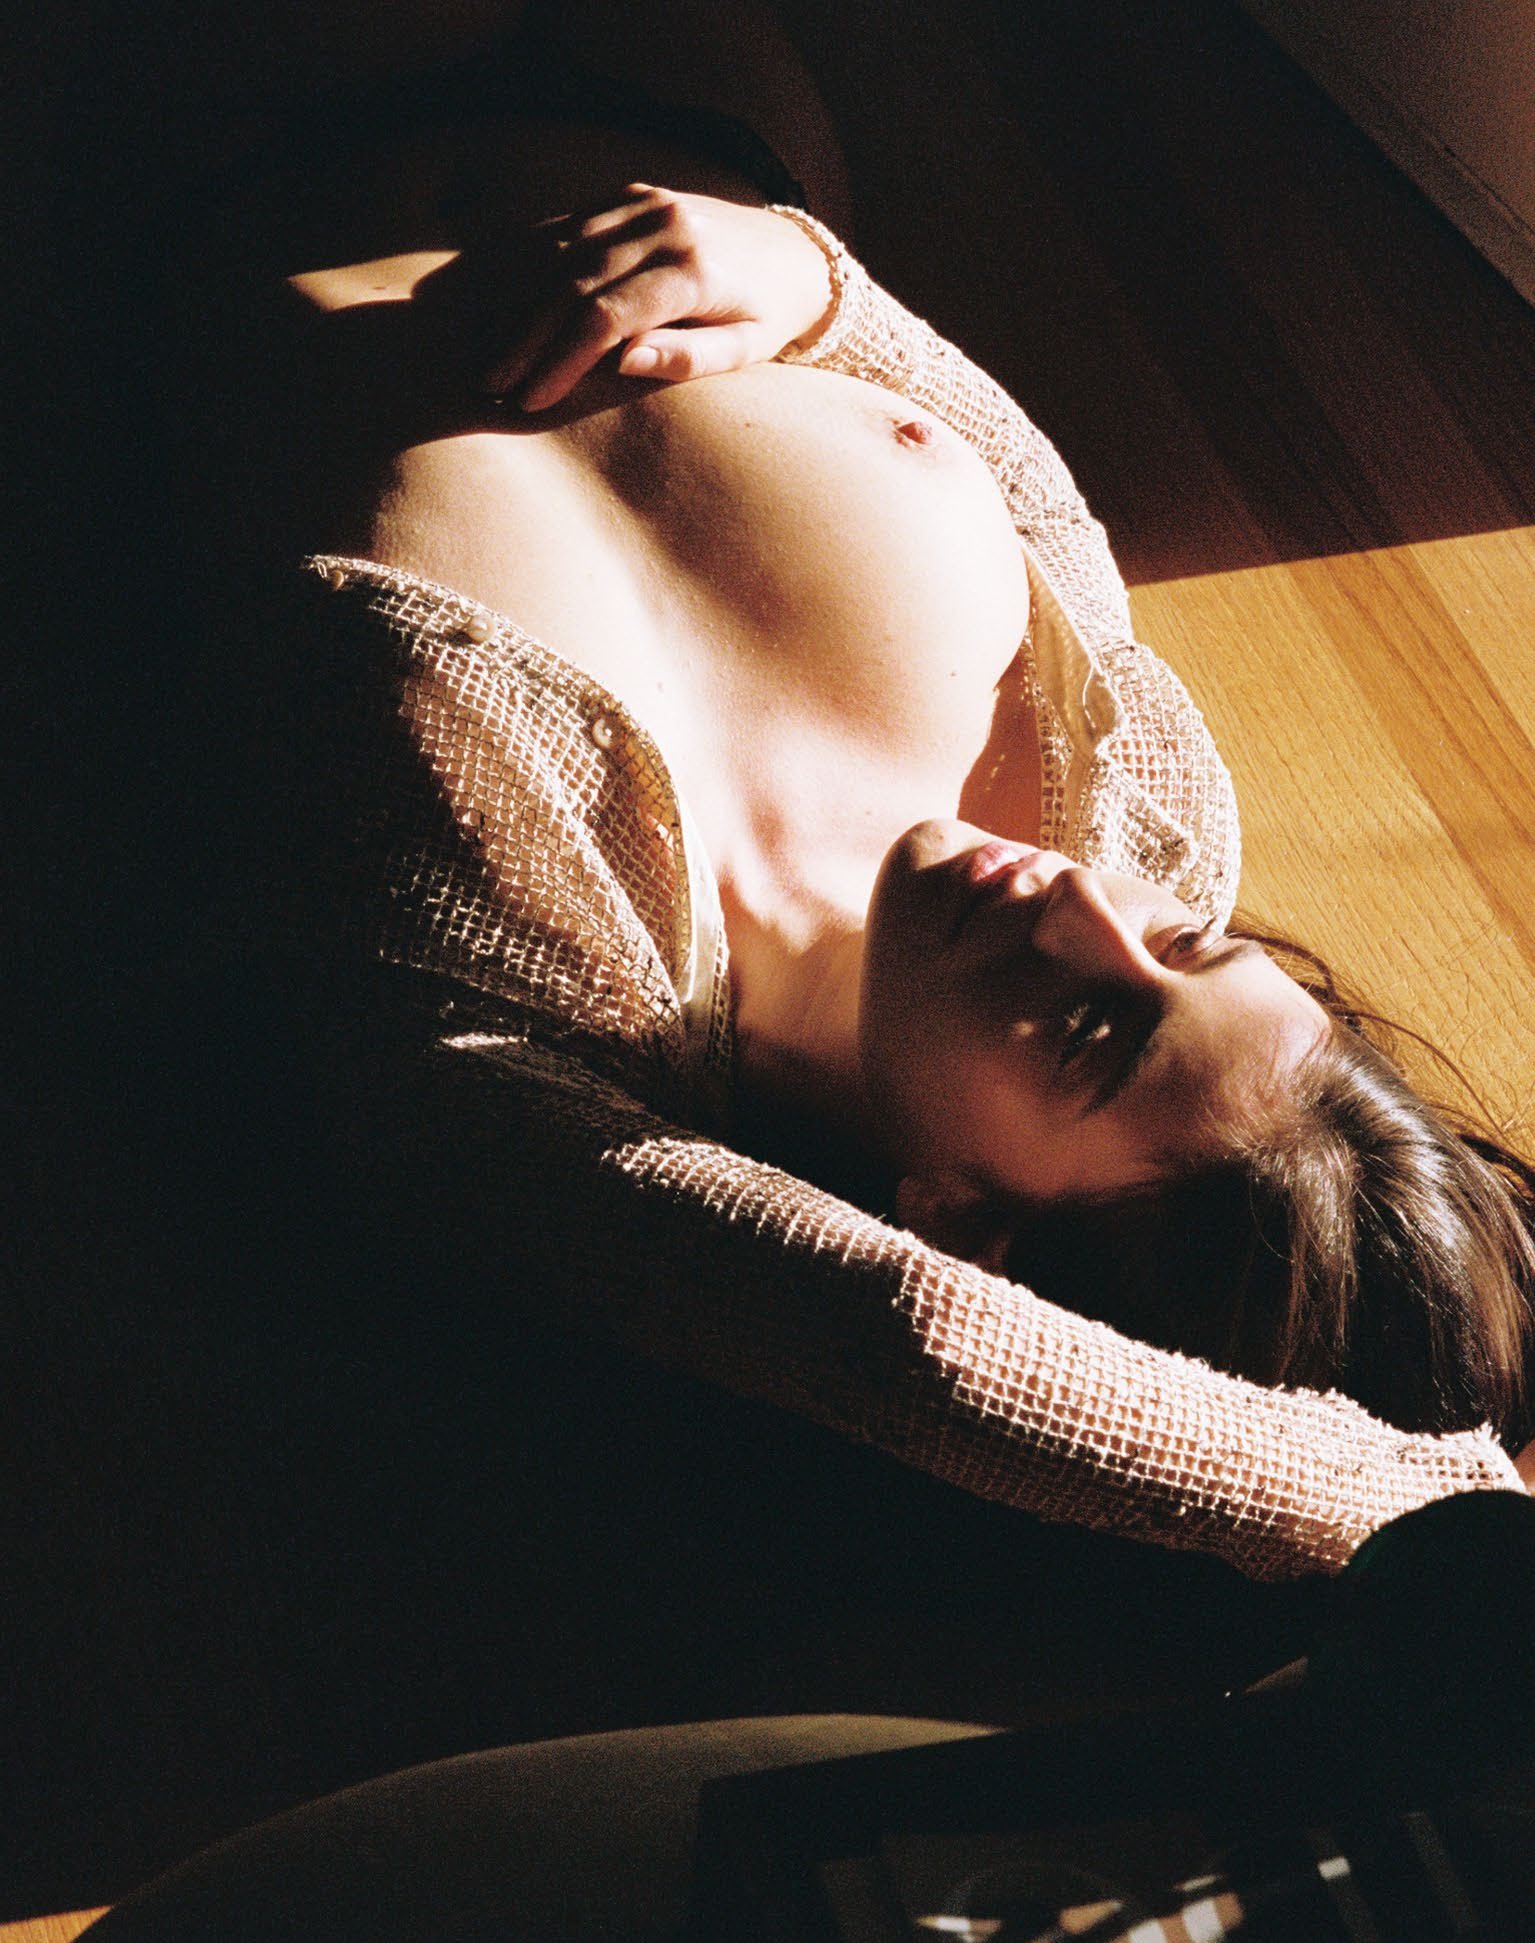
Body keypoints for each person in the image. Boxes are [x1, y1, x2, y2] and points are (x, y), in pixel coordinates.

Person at [144, 3, 1533, 1600]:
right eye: (1188, 948)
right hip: (677, 91)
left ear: (963, 1226)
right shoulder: (1138, 813)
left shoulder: (525, 1061)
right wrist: (808, 279)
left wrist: (1445, 1520)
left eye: (1093, 1030)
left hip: (219, 117)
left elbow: (925, 1349)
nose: (1086, 909)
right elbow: (1003, 478)